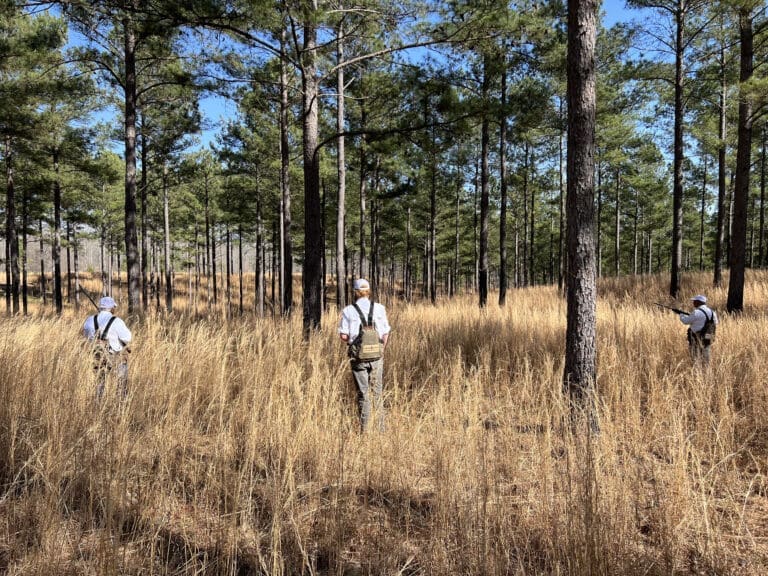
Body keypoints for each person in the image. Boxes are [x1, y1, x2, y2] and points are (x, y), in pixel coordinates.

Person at [338, 279, 391, 432]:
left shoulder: (348, 310)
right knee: (377, 394)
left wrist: (356, 343)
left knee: (363, 394)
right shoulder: (379, 308)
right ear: (368, 291)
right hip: (377, 358)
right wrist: (380, 350)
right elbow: (385, 333)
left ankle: (365, 431)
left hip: (358, 358)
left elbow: (343, 336)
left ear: (355, 292)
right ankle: (381, 430)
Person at [83, 296, 132, 399]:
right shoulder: (117, 321)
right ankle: (121, 403)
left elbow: (86, 336)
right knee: (121, 382)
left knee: (99, 382)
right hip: (115, 356)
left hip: (96, 354)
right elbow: (127, 338)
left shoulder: (89, 320)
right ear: (112, 308)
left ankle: (98, 404)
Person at [679, 294, 718, 367]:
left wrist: (681, 314)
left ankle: (697, 373)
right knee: (706, 357)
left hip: (696, 337)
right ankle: (706, 372)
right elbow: (715, 323)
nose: (693, 302)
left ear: (699, 302)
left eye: (694, 301)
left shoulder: (696, 312)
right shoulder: (712, 312)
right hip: (708, 336)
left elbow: (685, 321)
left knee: (695, 357)